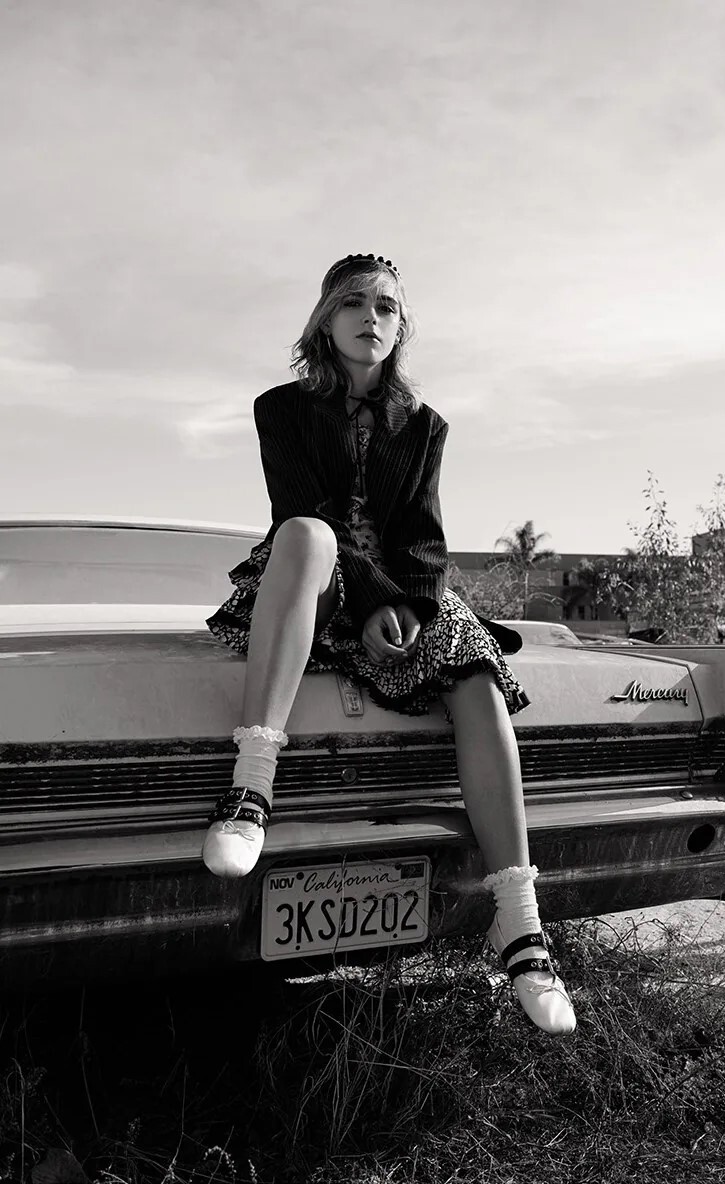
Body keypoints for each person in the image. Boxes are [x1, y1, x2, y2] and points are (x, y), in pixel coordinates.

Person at [203, 253, 576, 1036]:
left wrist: (407, 606)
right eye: (353, 303)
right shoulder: (282, 408)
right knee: (305, 534)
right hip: (311, 585)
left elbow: (425, 539)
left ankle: (519, 924)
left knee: (475, 672)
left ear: (401, 327)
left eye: (385, 306)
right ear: (325, 320)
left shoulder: (425, 425)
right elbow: (302, 511)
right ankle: (251, 788)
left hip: (403, 593)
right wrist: (373, 601)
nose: (370, 317)